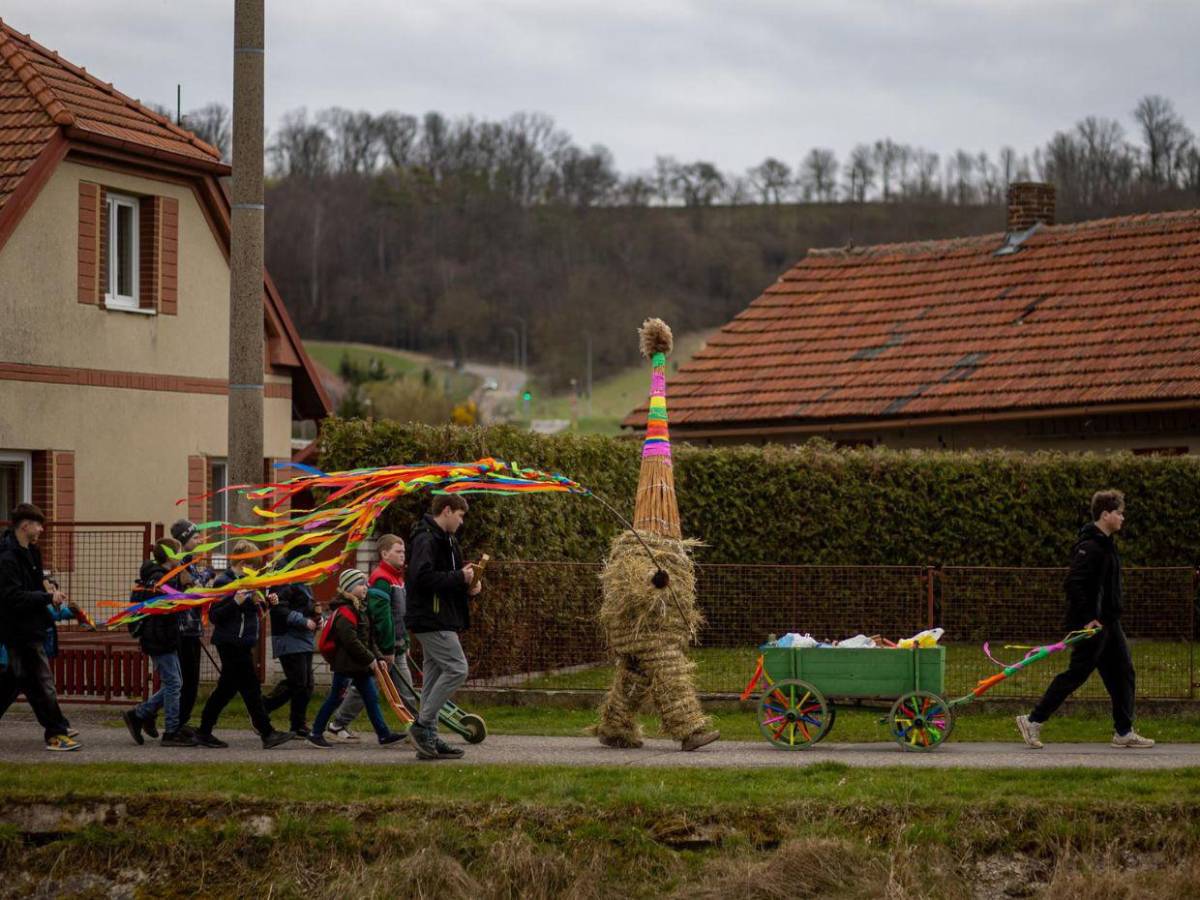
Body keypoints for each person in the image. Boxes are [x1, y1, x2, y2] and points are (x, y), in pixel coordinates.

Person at [1017, 490, 1154, 750]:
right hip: (1092, 625)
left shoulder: (1106, 545)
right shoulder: (1089, 547)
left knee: (1123, 673)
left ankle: (1123, 732)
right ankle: (1033, 720)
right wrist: (1088, 618)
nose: (1123, 517)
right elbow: (1074, 584)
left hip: (1109, 623)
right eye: (1119, 513)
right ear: (1105, 515)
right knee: (1077, 674)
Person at [193, 540, 293, 749]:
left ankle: (203, 731)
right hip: (230, 642)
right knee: (251, 688)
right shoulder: (225, 582)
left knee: (226, 690)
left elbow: (253, 612)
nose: (255, 570)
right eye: (253, 565)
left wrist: (268, 603)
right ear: (242, 563)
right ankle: (267, 733)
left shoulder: (247, 583)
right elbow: (215, 616)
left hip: (242, 642)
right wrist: (235, 602)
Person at [404, 495, 480, 761]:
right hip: (431, 617)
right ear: (447, 511)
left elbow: (446, 578)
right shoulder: (426, 539)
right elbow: (421, 578)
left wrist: (468, 585)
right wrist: (460, 577)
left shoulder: (446, 539)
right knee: (457, 668)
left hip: (441, 616)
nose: (461, 522)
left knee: (432, 678)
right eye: (460, 515)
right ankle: (422, 726)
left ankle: (430, 740)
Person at [0, 503, 79, 750]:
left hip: (33, 625)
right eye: (38, 525)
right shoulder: (7, 558)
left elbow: (36, 584)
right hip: (18, 629)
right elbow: (12, 596)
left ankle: (59, 726)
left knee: (14, 680)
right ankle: (56, 733)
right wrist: (46, 597)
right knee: (41, 682)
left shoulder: (32, 552)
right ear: (25, 526)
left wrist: (49, 589)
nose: (42, 530)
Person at [326, 534, 418, 741]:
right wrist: (387, 649)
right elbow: (382, 618)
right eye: (398, 551)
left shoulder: (397, 578)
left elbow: (400, 616)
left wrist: (405, 642)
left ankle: (337, 724)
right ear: (384, 554)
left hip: (397, 645)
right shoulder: (382, 579)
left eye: (403, 551)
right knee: (375, 689)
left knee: (374, 688)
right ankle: (418, 731)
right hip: (386, 648)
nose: (402, 555)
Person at [306, 568, 405, 749]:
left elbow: (369, 639)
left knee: (371, 697)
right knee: (336, 698)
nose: (365, 587)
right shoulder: (345, 611)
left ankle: (383, 734)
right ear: (348, 588)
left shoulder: (360, 608)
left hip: (358, 665)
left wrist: (379, 657)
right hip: (346, 664)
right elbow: (351, 641)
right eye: (360, 584)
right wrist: (370, 659)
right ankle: (315, 733)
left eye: (365, 584)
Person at [121, 538, 195, 747]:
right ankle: (171, 731)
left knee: (175, 683)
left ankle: (139, 715)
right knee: (174, 684)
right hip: (159, 637)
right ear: (170, 556)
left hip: (164, 635)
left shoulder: (162, 576)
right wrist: (188, 592)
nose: (181, 556)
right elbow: (168, 605)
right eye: (178, 552)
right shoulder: (159, 579)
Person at [264, 547, 318, 736]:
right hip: (288, 637)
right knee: (298, 682)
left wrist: (317, 617)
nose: (312, 563)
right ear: (299, 561)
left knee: (307, 684)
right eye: (309, 559)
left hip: (304, 638)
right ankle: (264, 707)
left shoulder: (303, 581)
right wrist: (303, 621)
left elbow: (307, 606)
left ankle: (298, 723)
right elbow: (278, 608)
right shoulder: (284, 580)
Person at [170, 519, 209, 737]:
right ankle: (175, 723)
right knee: (187, 680)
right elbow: (192, 588)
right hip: (183, 629)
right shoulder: (180, 564)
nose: (200, 540)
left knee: (189, 680)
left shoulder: (189, 562)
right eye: (195, 537)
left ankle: (176, 720)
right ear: (183, 541)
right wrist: (207, 576)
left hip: (192, 627)